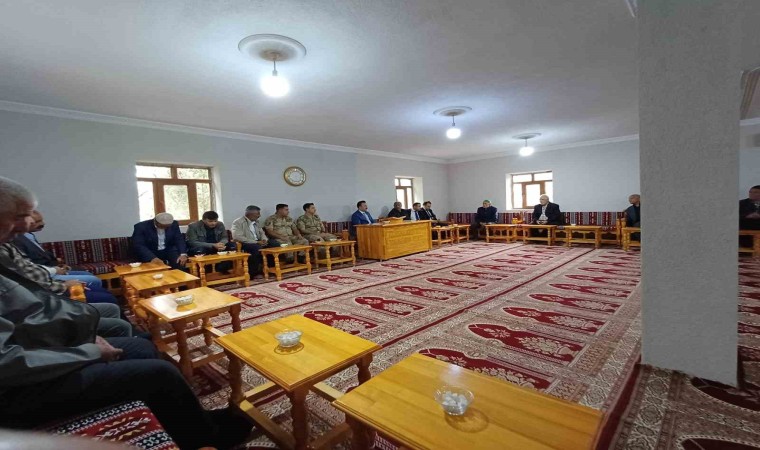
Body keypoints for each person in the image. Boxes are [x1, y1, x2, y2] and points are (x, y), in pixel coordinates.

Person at [0, 176, 251, 450]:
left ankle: (181, 414)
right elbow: (9, 360)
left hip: (45, 342)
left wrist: (78, 330)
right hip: (19, 387)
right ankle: (203, 438)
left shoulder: (6, 248)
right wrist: (87, 349)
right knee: (159, 372)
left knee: (141, 345)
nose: (27, 225)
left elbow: (32, 310)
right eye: (20, 216)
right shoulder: (142, 228)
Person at [0, 242, 120, 305]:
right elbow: (33, 273)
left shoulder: (19, 239)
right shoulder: (14, 242)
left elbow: (36, 264)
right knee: (95, 282)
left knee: (99, 288)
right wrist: (57, 273)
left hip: (49, 276)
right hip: (47, 289)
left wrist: (56, 265)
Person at [12, 211, 103, 288]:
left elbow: (41, 254)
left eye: (41, 220)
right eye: (38, 221)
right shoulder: (17, 240)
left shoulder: (29, 235)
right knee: (94, 280)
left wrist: (58, 263)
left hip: (53, 268)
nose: (42, 224)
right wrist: (55, 269)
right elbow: (31, 264)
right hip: (46, 275)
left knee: (87, 274)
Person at [231, 205, 271, 277]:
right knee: (256, 248)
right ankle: (252, 272)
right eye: (258, 214)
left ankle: (269, 268)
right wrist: (256, 242)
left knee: (274, 244)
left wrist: (264, 240)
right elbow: (237, 237)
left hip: (258, 242)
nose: (259, 215)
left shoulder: (256, 222)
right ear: (250, 214)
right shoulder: (238, 222)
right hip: (246, 243)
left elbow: (262, 233)